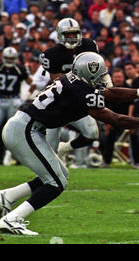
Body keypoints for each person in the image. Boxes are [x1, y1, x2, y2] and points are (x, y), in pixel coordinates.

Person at [0, 52, 139, 235]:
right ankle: (13, 219)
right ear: (89, 73)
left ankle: (7, 196)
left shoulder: (74, 82)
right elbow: (115, 119)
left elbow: (112, 94)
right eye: (101, 75)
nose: (104, 79)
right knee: (56, 182)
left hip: (26, 127)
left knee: (61, 173)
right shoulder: (79, 91)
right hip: (25, 130)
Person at [39, 18, 101, 157]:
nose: (72, 37)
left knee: (92, 133)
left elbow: (96, 70)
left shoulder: (89, 46)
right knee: (51, 146)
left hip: (80, 100)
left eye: (74, 34)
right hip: (60, 100)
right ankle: (46, 175)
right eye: (68, 34)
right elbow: (55, 79)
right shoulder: (51, 54)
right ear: (60, 34)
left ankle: (66, 148)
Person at [0, 47, 36, 165]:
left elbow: (33, 84)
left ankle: (9, 156)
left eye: (12, 59)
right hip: (0, 100)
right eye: (7, 58)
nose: (9, 61)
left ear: (16, 58)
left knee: (11, 130)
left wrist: (23, 99)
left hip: (13, 101)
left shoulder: (19, 69)